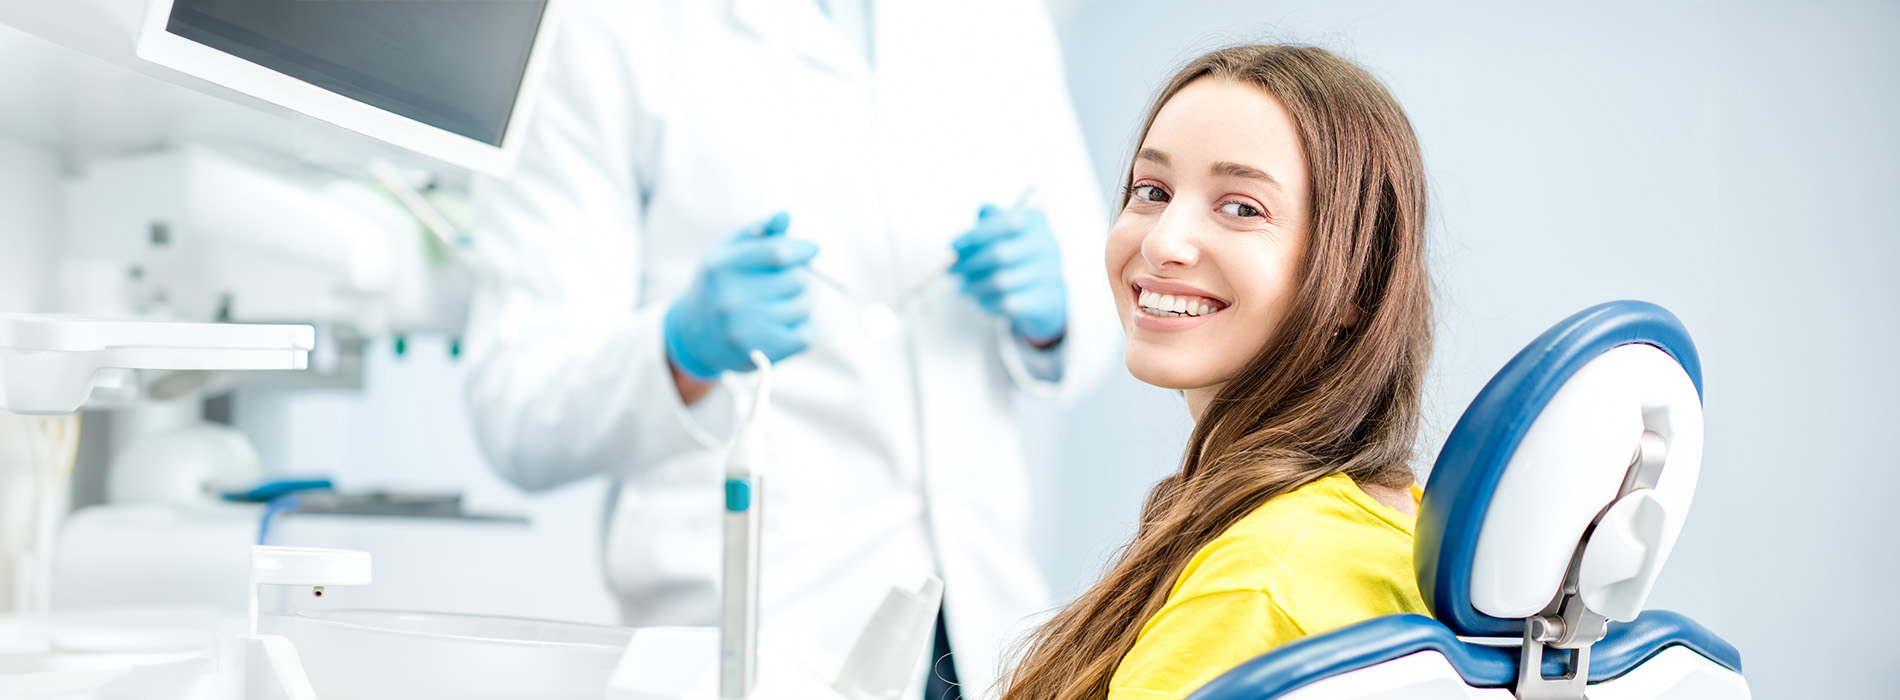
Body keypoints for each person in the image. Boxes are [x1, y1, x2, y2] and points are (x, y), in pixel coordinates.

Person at [461, 1, 1113, 698]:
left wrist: (1055, 313)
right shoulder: (606, 27)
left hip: (982, 623)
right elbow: (519, 402)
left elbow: (1099, 304)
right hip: (760, 629)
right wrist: (681, 352)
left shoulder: (1003, 21)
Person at [1000, 45, 1434, 700]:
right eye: (1152, 192)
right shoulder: (1375, 513)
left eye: (1241, 208)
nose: (1161, 242)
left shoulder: (1259, 585)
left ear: (1356, 284)